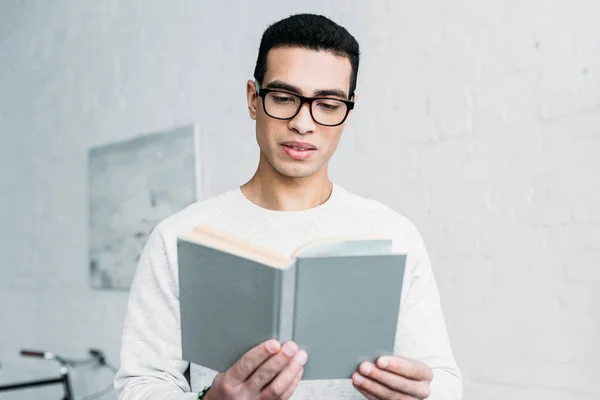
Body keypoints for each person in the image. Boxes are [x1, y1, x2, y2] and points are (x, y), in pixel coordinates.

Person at [114, 13, 462, 400]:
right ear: (253, 99)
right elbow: (141, 384)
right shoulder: (179, 236)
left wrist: (423, 393)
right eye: (283, 98)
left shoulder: (394, 235)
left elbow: (442, 379)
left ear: (348, 110)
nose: (302, 123)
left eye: (327, 104)